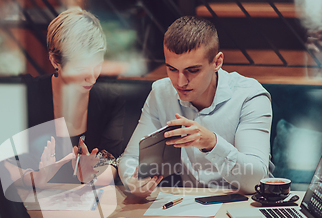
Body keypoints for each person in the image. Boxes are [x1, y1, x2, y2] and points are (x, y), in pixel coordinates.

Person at [119, 16, 272, 197]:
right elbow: (129, 159)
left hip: (245, 203)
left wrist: (212, 143)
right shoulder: (161, 93)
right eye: (172, 69)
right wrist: (134, 182)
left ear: (217, 62)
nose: (180, 82)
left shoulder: (250, 96)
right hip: (189, 203)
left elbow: (256, 181)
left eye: (193, 70)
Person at [17, 7, 124, 188]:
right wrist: (38, 178)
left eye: (97, 65)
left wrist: (90, 175)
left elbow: (112, 163)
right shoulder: (27, 96)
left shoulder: (109, 99)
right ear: (55, 61)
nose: (92, 78)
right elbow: (7, 170)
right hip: (35, 203)